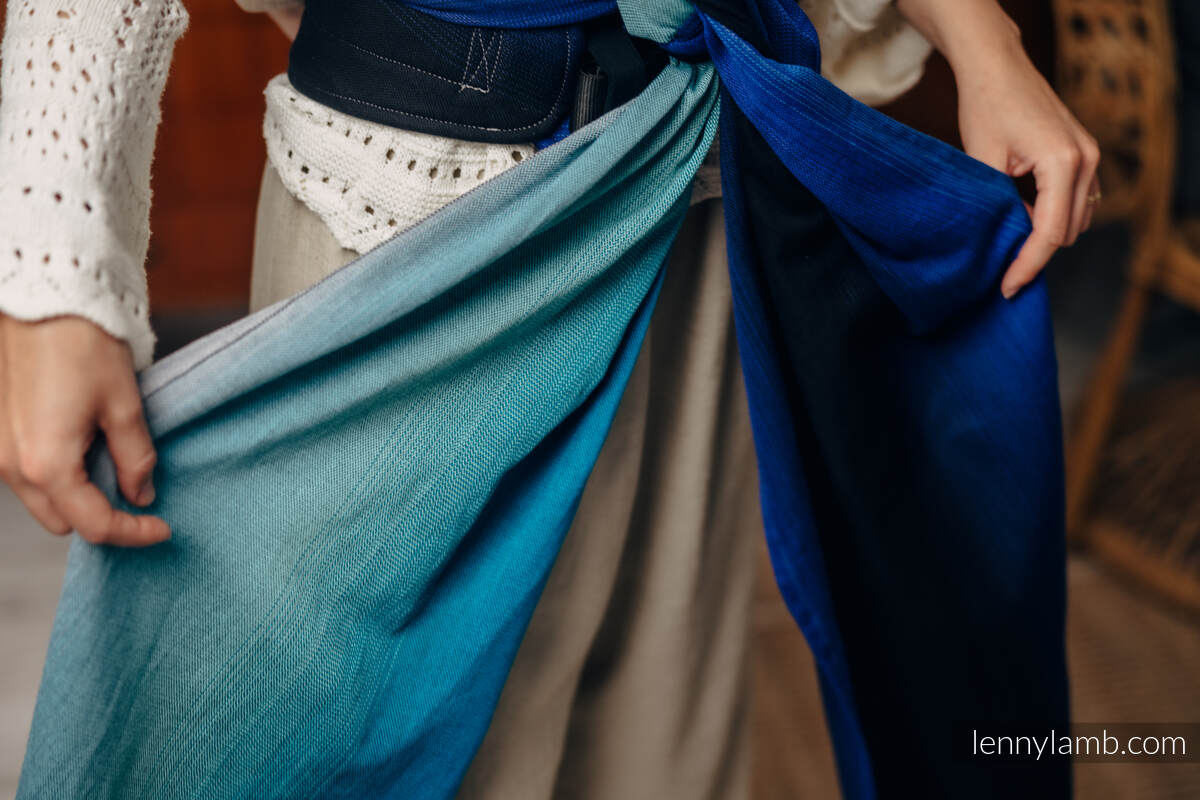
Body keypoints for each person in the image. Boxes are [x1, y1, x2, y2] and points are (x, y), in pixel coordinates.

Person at [0, 1, 1099, 797]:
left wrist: (981, 38)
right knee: (345, 738)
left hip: (700, 176)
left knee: (659, 729)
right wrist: (51, 261)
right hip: (418, 222)